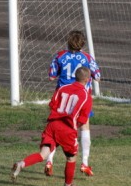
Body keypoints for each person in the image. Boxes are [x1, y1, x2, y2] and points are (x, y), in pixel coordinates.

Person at [10, 66, 93, 186]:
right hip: (67, 129)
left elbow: (52, 105)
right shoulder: (86, 96)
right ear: (87, 79)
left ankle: (22, 164)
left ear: (75, 76)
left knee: (43, 155)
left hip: (52, 125)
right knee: (71, 158)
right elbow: (82, 119)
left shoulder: (63, 88)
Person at [43, 30, 100, 178]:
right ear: (83, 44)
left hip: (63, 98)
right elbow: (98, 77)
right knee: (84, 127)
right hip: (81, 98)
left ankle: (49, 161)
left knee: (56, 128)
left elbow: (51, 76)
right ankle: (84, 163)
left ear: (68, 42)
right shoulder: (87, 58)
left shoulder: (60, 56)